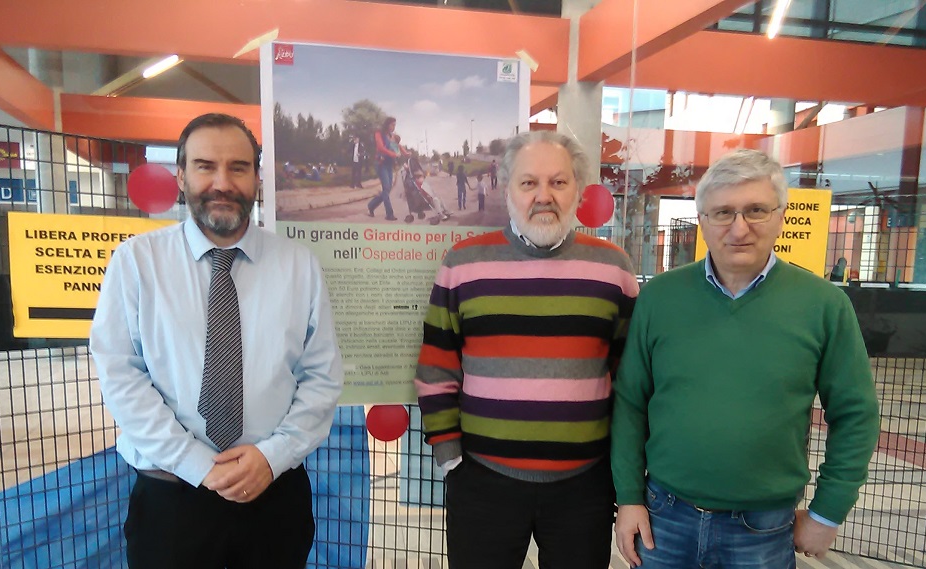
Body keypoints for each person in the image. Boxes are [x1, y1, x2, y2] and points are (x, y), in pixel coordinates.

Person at [90, 113, 344, 569]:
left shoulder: (298, 266)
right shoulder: (137, 263)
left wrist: (273, 456)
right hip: (171, 499)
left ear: (257, 178)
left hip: (273, 496)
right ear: (182, 176)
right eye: (206, 166)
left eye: (239, 168)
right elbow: (120, 374)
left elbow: (322, 376)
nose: (222, 182)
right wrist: (197, 465)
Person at [611, 148, 880, 569]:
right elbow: (629, 403)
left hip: (763, 529)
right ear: (702, 221)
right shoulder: (660, 298)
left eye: (756, 210)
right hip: (665, 518)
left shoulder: (823, 305)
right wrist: (628, 497)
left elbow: (856, 414)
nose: (739, 228)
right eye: (722, 212)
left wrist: (828, 511)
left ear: (781, 216)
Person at [414, 130, 639, 569]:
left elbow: (628, 375)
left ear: (577, 189)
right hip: (483, 480)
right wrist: (449, 455)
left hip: (585, 486)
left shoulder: (614, 269)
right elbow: (438, 364)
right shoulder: (463, 263)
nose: (544, 196)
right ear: (506, 189)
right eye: (529, 182)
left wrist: (620, 469)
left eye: (558, 182)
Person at [367, 116, 401, 220]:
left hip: (389, 164)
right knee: (386, 188)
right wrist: (393, 154)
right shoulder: (379, 133)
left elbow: (398, 146)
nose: (394, 127)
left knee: (387, 189)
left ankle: (371, 205)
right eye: (392, 124)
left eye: (395, 125)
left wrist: (405, 153)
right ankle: (389, 214)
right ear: (387, 124)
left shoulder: (392, 136)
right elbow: (381, 147)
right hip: (381, 164)